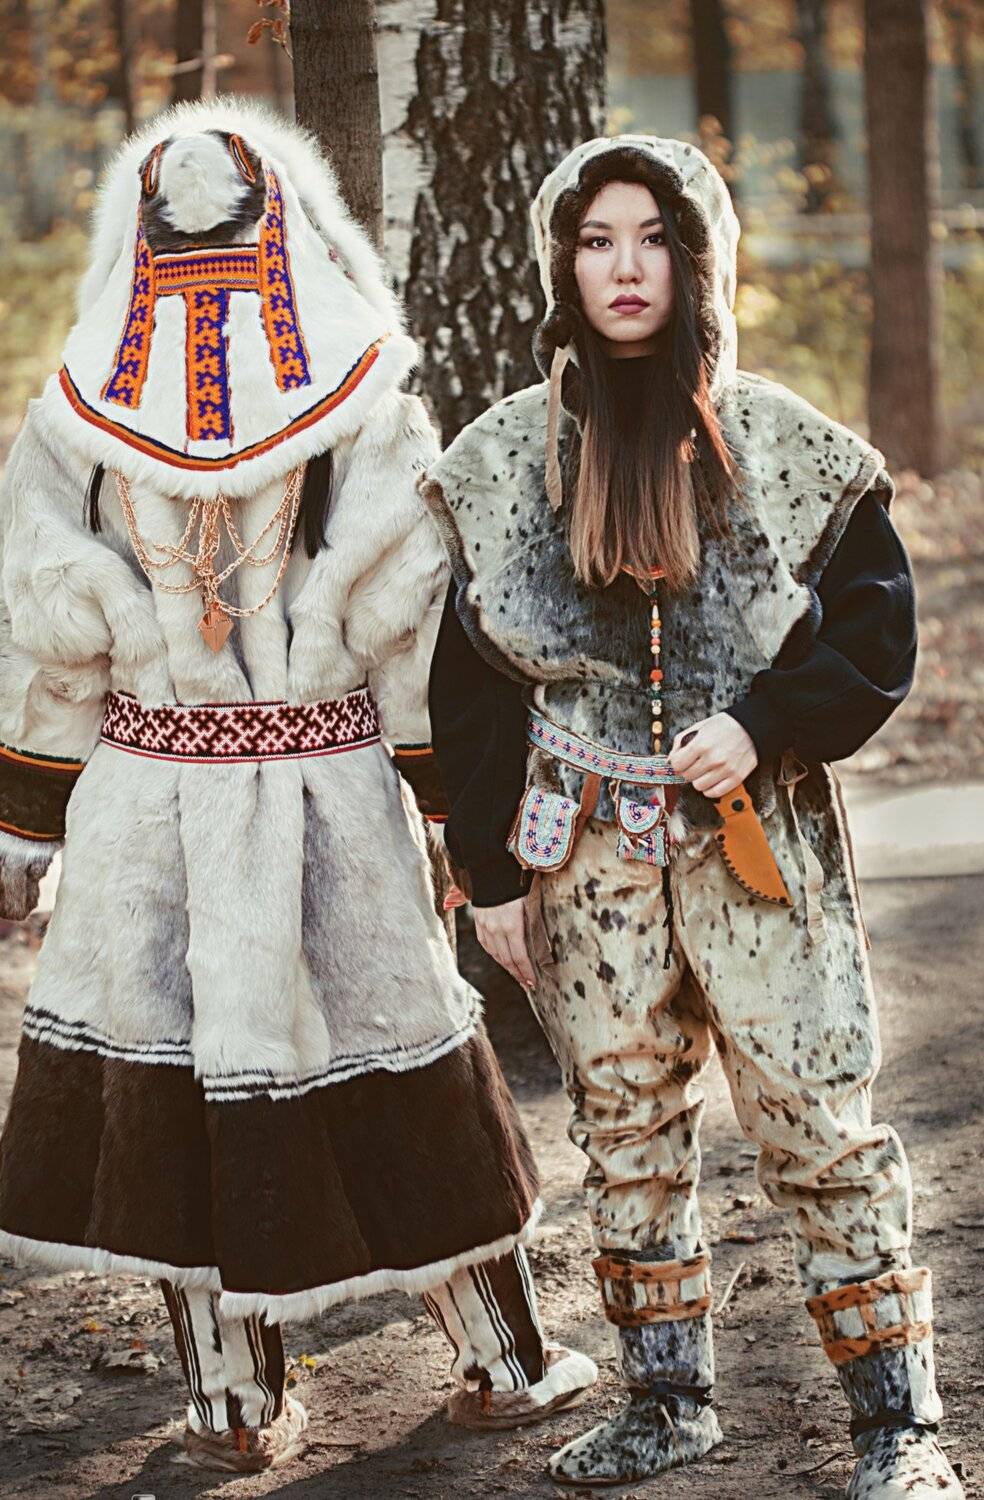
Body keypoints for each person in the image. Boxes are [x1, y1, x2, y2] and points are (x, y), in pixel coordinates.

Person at [0, 101, 596, 1474]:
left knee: (183, 1077)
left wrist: (18, 824)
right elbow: (415, 632)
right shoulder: (366, 405)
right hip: (327, 791)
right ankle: (503, 1360)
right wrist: (458, 821)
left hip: (148, 795)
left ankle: (232, 1404)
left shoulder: (77, 421)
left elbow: (38, 628)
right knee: (394, 1055)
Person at [421, 134, 962, 1498]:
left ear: (696, 256)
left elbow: (878, 632)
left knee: (820, 1118)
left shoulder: (783, 443)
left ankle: (899, 1430)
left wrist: (767, 722)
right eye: (597, 241)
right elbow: (467, 693)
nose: (625, 268)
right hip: (584, 859)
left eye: (653, 239)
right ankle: (667, 1402)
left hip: (757, 843)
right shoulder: (503, 461)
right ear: (563, 263)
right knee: (623, 1125)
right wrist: (490, 875)